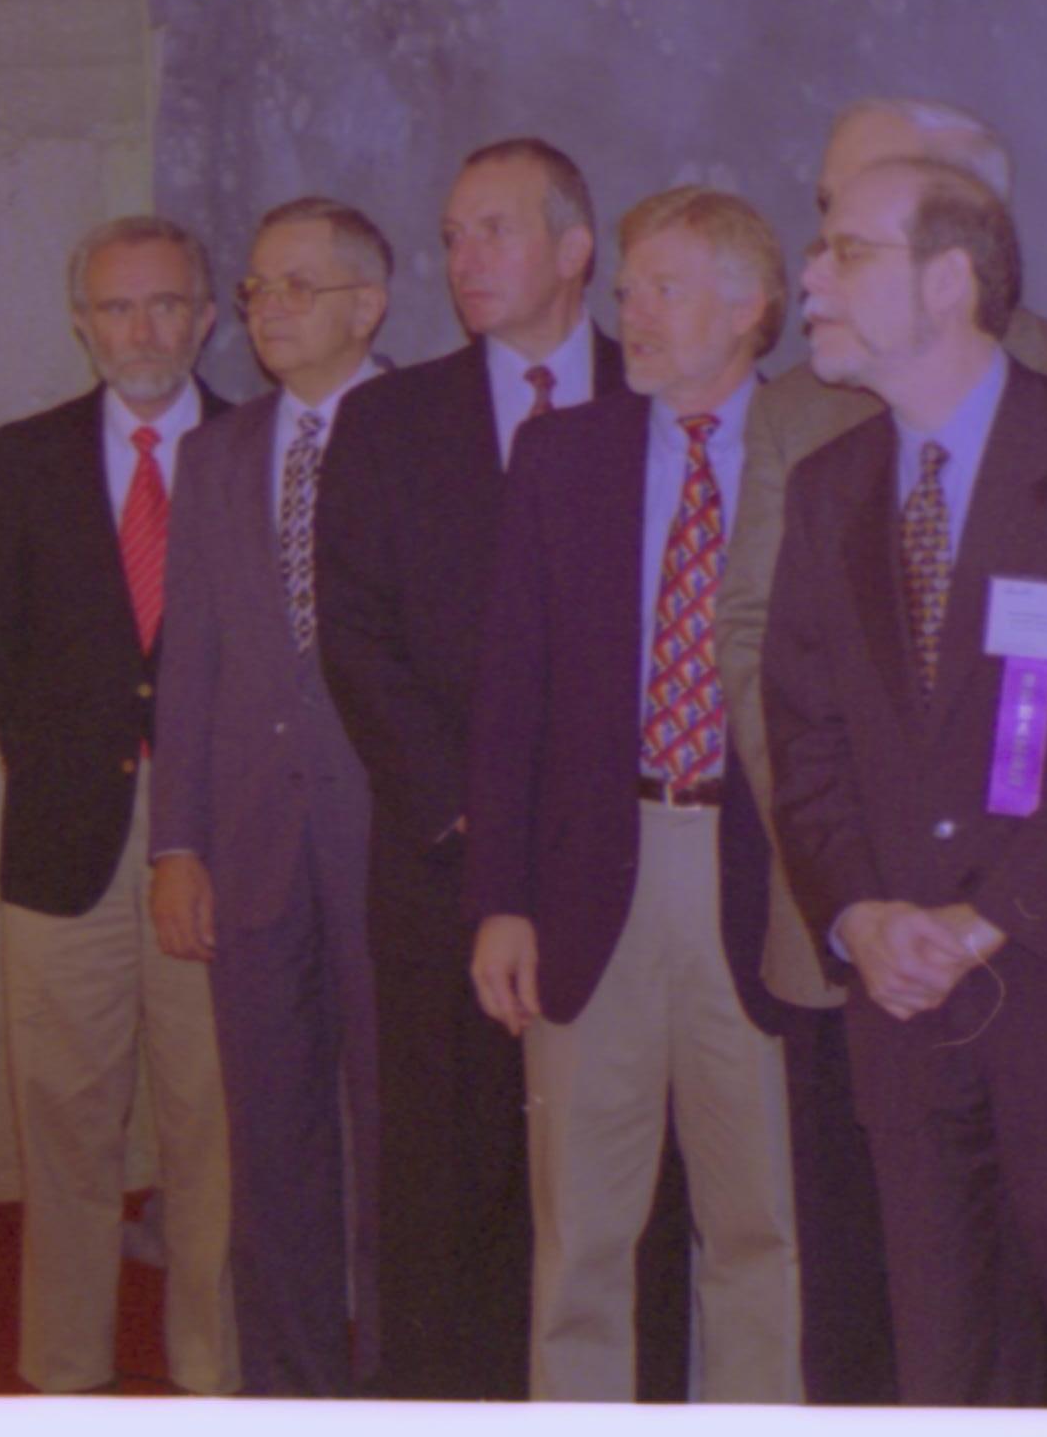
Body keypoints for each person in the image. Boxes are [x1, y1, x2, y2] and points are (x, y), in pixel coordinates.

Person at [709, 95, 1047, 1403]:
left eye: (846, 251)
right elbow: (802, 735)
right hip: (904, 1019)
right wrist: (857, 911)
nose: (806, 276)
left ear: (953, 279)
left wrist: (980, 924)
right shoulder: (830, 485)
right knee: (944, 1378)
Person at [466, 187, 803, 1402]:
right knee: (581, 1235)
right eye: (627, 290)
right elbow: (511, 695)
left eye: (664, 288)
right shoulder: (566, 454)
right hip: (588, 881)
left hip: (760, 887)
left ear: (751, 305)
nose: (632, 313)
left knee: (763, 1230)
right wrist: (502, 898)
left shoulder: (824, 447)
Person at [312, 138, 622, 1398]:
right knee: (446, 1193)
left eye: (492, 230)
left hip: (622, 875)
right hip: (441, 869)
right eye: (450, 235)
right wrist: (477, 826)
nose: (462, 258)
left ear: (573, 247)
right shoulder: (388, 420)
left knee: (611, 1200)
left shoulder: (659, 406)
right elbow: (356, 640)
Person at [0, 215, 242, 1396]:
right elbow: (1, 653)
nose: (143, 329)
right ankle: (64, 1378)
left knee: (213, 1137)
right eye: (118, 308)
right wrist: (85, 771)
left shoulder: (257, 448)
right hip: (64, 846)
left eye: (167, 304)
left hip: (220, 852)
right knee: (67, 1132)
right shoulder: (25, 456)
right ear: (83, 325)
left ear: (208, 316)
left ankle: (213, 1381)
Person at [149, 198, 394, 1397]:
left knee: (399, 1145)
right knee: (274, 1146)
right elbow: (186, 661)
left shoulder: (427, 433)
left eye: (299, 286)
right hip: (249, 849)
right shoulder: (220, 452)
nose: (269, 310)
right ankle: (291, 1393)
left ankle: (406, 1388)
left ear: (369, 303)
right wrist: (175, 843)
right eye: (255, 289)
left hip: (397, 849)